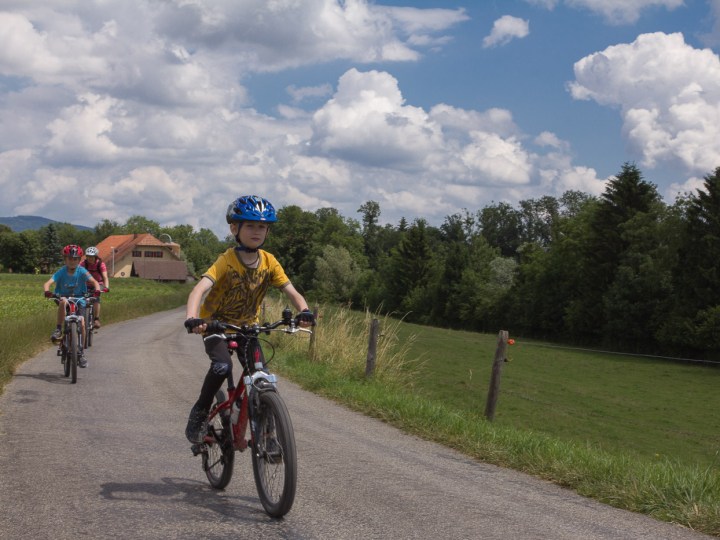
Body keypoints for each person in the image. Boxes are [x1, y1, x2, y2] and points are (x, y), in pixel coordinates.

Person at [183, 195, 315, 443]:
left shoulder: (269, 261)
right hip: (216, 325)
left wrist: (304, 310)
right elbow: (198, 290)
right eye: (250, 225)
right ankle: (200, 411)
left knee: (261, 377)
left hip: (248, 328)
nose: (257, 231)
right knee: (222, 366)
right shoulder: (227, 260)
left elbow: (291, 291)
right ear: (235, 228)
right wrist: (193, 318)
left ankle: (266, 433)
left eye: (262, 227)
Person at [43, 245, 101, 367]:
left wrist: (96, 289)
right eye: (69, 259)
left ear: (79, 260)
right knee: (63, 302)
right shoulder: (61, 271)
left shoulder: (82, 271)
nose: (72, 261)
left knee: (83, 323)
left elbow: (94, 282)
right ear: (65, 259)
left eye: (75, 259)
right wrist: (47, 291)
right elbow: (48, 282)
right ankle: (58, 329)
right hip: (63, 297)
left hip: (79, 298)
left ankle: (80, 352)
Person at [80, 246, 110, 328]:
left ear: (95, 256)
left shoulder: (100, 264)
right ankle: (81, 317)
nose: (90, 258)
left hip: (98, 284)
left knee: (96, 297)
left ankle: (96, 319)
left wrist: (106, 287)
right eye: (88, 256)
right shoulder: (83, 264)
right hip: (86, 284)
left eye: (91, 257)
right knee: (80, 298)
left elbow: (105, 277)